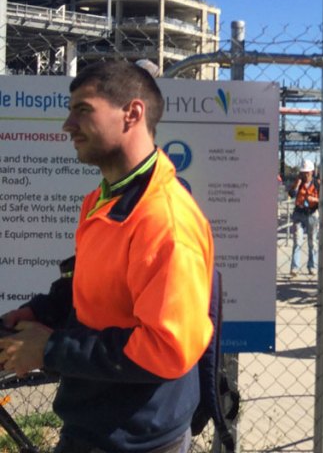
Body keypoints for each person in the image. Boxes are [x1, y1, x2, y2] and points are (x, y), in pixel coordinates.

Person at [0, 60, 214, 453]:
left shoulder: (164, 219)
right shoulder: (104, 201)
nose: (68, 125)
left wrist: (49, 349)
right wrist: (40, 313)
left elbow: (167, 349)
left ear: (132, 113)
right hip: (98, 424)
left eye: (83, 110)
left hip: (138, 437)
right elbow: (91, 288)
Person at [289, 159, 320, 277]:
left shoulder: (317, 184)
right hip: (299, 213)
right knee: (297, 240)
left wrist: (314, 200)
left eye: (307, 172)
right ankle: (294, 268)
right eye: (303, 172)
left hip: (311, 213)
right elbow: (291, 194)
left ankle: (312, 266)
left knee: (312, 241)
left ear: (312, 172)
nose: (305, 175)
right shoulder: (299, 182)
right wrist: (296, 185)